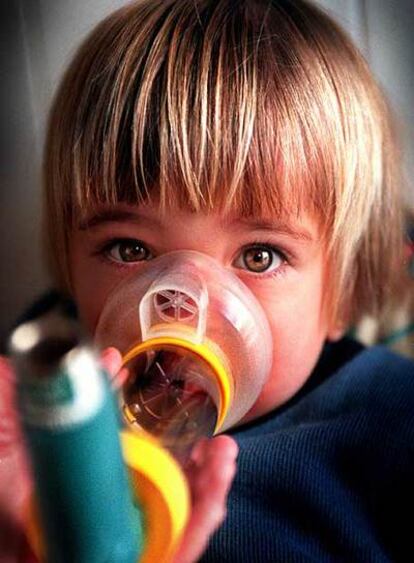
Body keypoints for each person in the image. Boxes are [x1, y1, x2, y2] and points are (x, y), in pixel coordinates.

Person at [1, 0, 414, 561]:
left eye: (260, 256)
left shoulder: (390, 423)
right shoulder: (46, 428)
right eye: (131, 249)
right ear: (71, 267)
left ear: (342, 289)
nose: (183, 305)